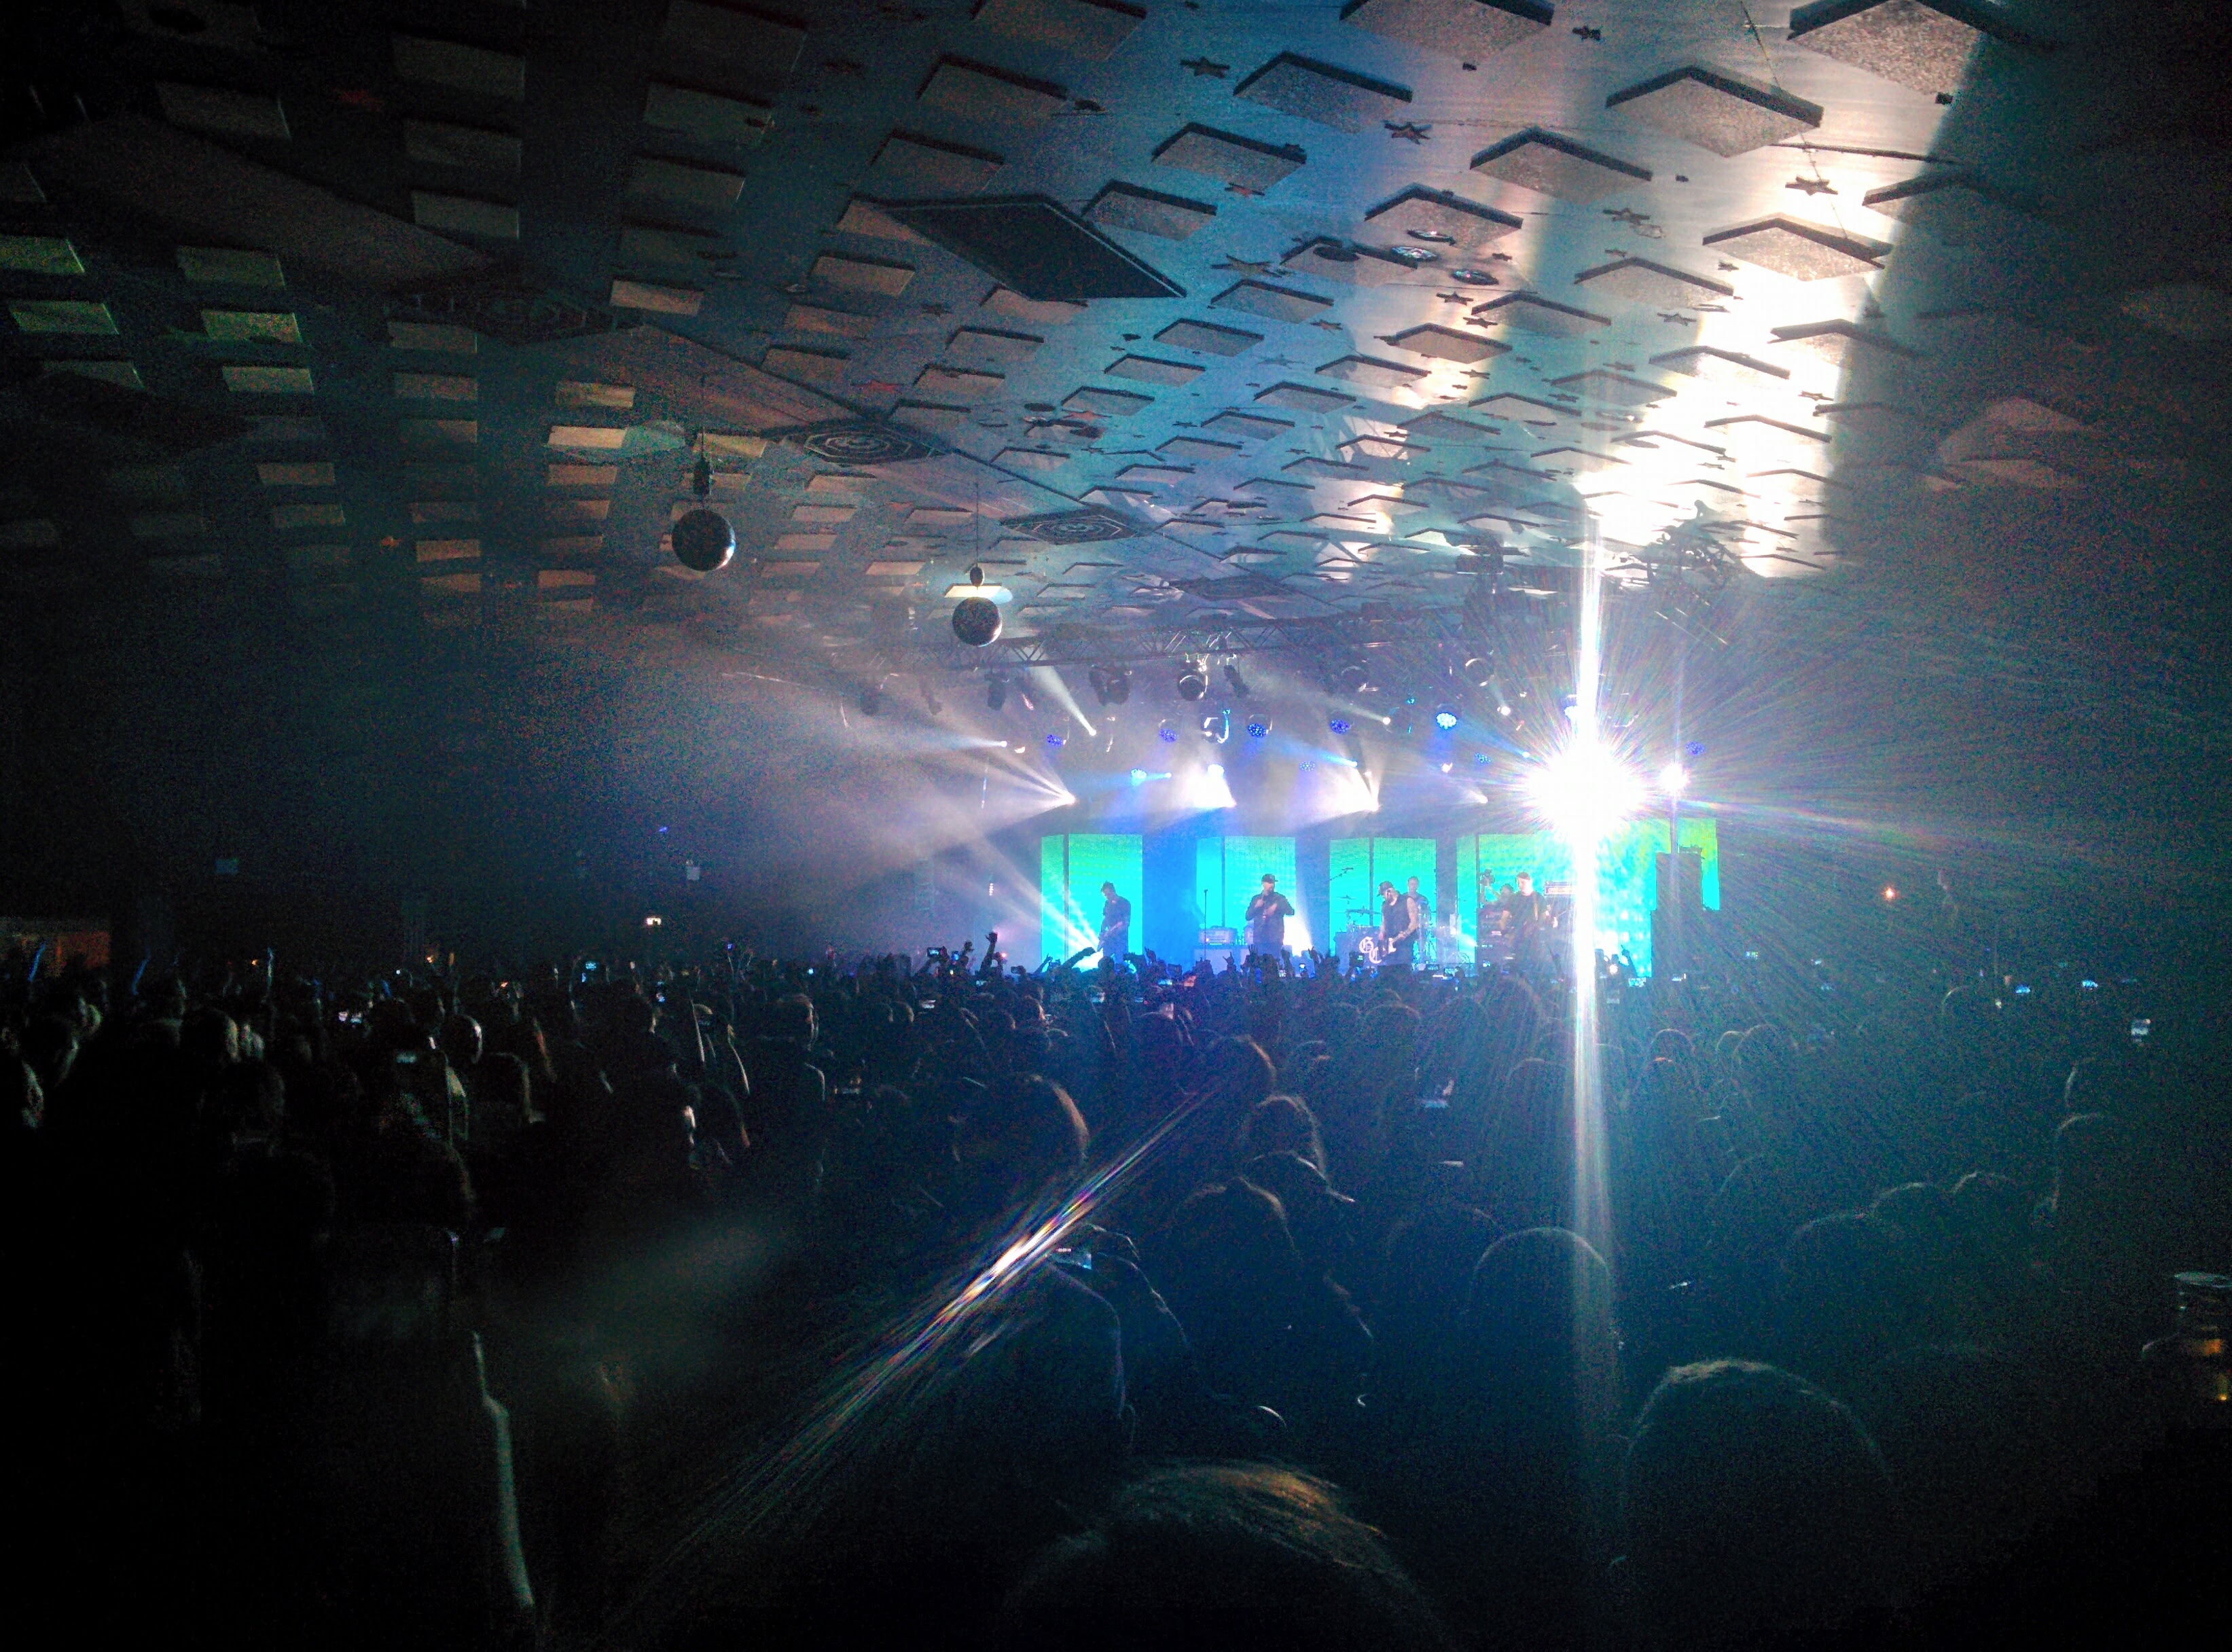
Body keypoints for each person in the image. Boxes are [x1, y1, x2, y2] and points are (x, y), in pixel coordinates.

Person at [1245, 874, 1295, 959]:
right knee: (1260, 964)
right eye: (1269, 882)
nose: (1271, 885)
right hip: (1260, 939)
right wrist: (1256, 906)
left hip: (1275, 939)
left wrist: (1278, 906)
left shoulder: (1280, 899)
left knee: (1274, 964)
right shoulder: (1256, 899)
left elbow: (1291, 912)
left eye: (1273, 882)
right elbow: (1248, 916)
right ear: (1263, 884)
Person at [1380, 881, 1418, 969]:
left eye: (1383, 894)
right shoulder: (1385, 905)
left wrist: (1405, 934)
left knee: (1404, 969)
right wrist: (1382, 935)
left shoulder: (1407, 901)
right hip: (1389, 944)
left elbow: (1414, 923)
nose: (1383, 897)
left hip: (1405, 944)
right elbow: (1384, 922)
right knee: (1390, 970)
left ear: (1389, 891)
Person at [1098, 881, 1132, 960]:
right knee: (1107, 962)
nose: (1107, 897)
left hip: (1121, 940)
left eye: (1108, 895)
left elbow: (1126, 924)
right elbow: (1105, 919)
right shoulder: (1107, 903)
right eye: (1105, 896)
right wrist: (1102, 932)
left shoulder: (1125, 903)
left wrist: (1113, 932)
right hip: (1108, 942)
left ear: (1113, 891)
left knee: (1120, 962)